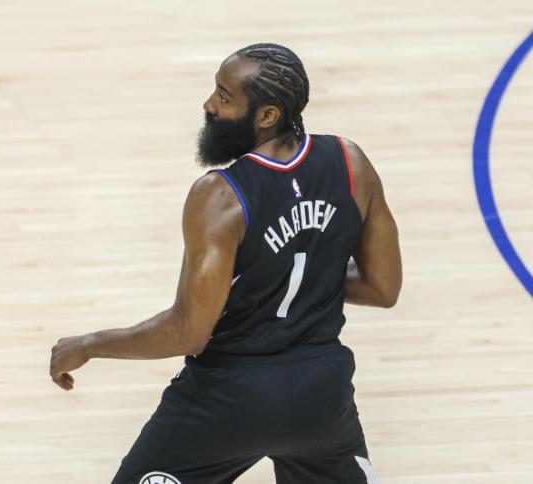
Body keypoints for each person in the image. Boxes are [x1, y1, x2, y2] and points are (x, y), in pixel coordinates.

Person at [50, 43, 402, 484]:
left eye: (224, 96)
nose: (209, 105)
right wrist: (305, 274)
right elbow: (383, 287)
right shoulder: (351, 163)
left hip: (230, 397)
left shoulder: (220, 196)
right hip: (321, 398)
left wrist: (89, 345)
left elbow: (188, 331)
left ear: (267, 115)